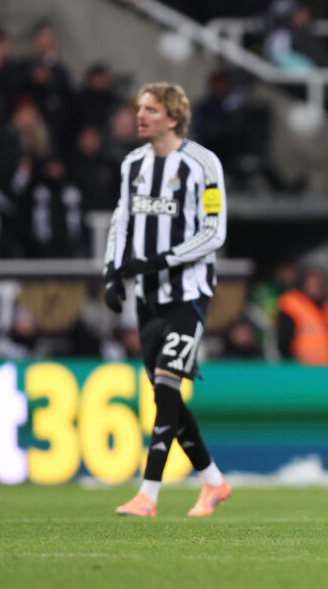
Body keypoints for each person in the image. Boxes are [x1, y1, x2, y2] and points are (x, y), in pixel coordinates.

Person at [103, 82, 231, 517]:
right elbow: (122, 218)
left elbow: (215, 231)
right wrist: (112, 272)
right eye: (139, 108)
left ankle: (148, 495)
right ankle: (213, 482)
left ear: (173, 118)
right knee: (167, 396)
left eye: (151, 110)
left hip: (189, 294)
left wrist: (160, 260)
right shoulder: (133, 164)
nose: (141, 116)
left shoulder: (202, 163)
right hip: (148, 298)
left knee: (165, 384)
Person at [277, 267, 328, 365]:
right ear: (303, 283)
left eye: (320, 284)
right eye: (313, 283)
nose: (317, 287)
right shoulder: (292, 303)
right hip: (302, 368)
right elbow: (283, 341)